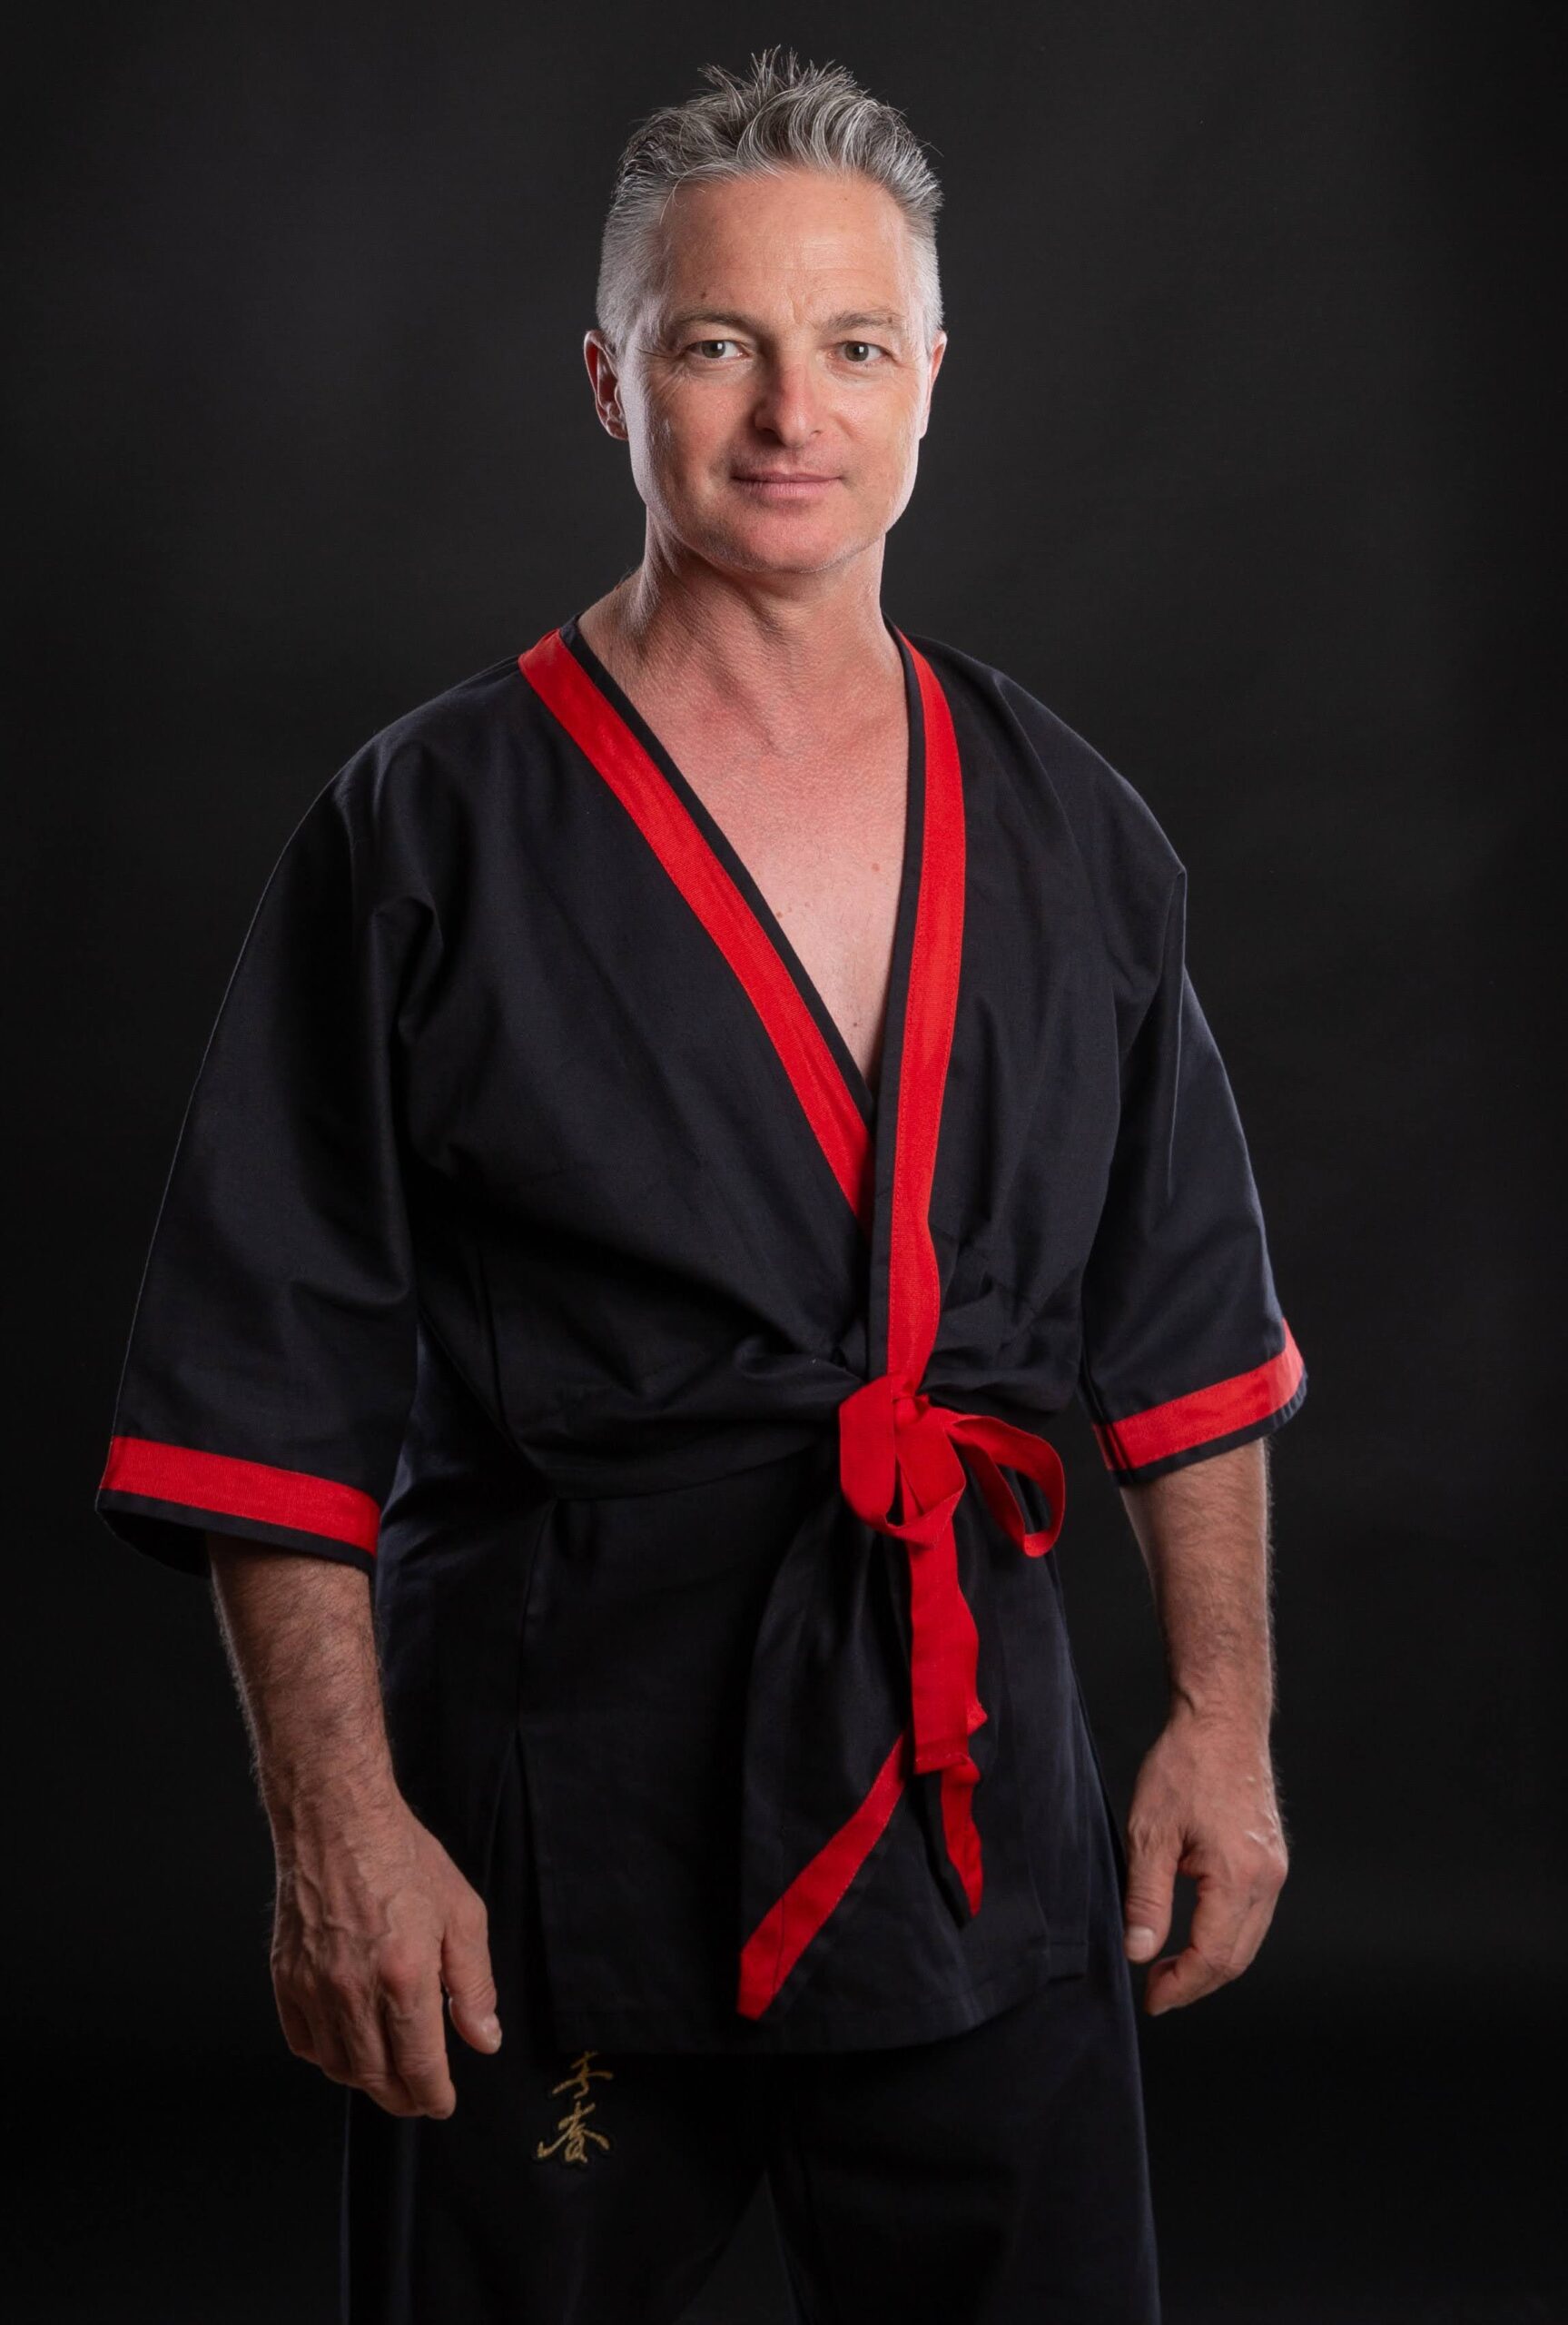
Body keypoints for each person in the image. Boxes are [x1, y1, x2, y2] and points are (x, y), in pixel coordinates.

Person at [95, 46, 1307, 2325]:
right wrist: (340, 1830)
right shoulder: (426, 826)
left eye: (853, 345)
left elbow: (1189, 1332)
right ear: (609, 377)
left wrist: (1223, 1722)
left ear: (932, 379)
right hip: (559, 1819)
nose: (788, 414)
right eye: (717, 342)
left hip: (968, 1797)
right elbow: (266, 1374)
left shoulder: (1073, 830)